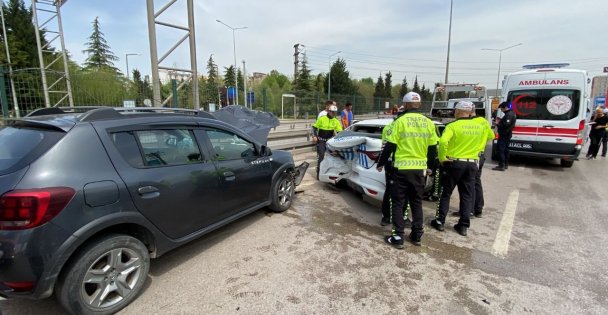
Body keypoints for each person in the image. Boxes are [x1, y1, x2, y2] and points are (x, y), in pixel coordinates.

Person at [377, 92, 438, 248]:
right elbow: (433, 148)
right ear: (419, 104)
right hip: (419, 170)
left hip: (402, 168)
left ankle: (397, 237)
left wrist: (381, 162)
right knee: (416, 202)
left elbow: (390, 145)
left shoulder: (400, 121)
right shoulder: (428, 122)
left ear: (404, 104)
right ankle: (417, 235)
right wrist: (431, 167)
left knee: (398, 203)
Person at [431, 101, 489, 237]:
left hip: (454, 162)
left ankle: (440, 221)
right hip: (472, 163)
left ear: (457, 111)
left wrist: (442, 157)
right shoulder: (480, 126)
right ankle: (463, 225)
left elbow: (443, 141)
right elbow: (486, 139)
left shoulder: (453, 125)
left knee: (446, 192)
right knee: (467, 195)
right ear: (470, 112)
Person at [379, 106, 411, 228]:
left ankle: (388, 217)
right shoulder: (394, 127)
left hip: (395, 162)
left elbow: (384, 147)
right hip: (398, 163)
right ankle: (394, 217)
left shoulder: (389, 127)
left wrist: (381, 163)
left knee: (390, 190)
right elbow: (386, 147)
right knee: (402, 192)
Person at [312, 105, 343, 179]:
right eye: (332, 112)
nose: (333, 113)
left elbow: (340, 132)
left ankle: (329, 173)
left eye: (334, 112)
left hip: (329, 142)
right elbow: (314, 127)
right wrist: (314, 136)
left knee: (332, 157)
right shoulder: (322, 119)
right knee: (321, 156)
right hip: (321, 141)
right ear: (328, 111)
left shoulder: (336, 121)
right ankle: (319, 174)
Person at [492, 102, 516, 171]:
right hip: (507, 135)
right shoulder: (512, 113)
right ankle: (505, 164)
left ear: (505, 107)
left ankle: (501, 165)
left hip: (504, 135)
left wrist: (497, 124)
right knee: (506, 150)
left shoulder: (509, 115)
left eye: (502, 109)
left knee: (501, 150)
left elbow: (506, 125)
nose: (501, 110)